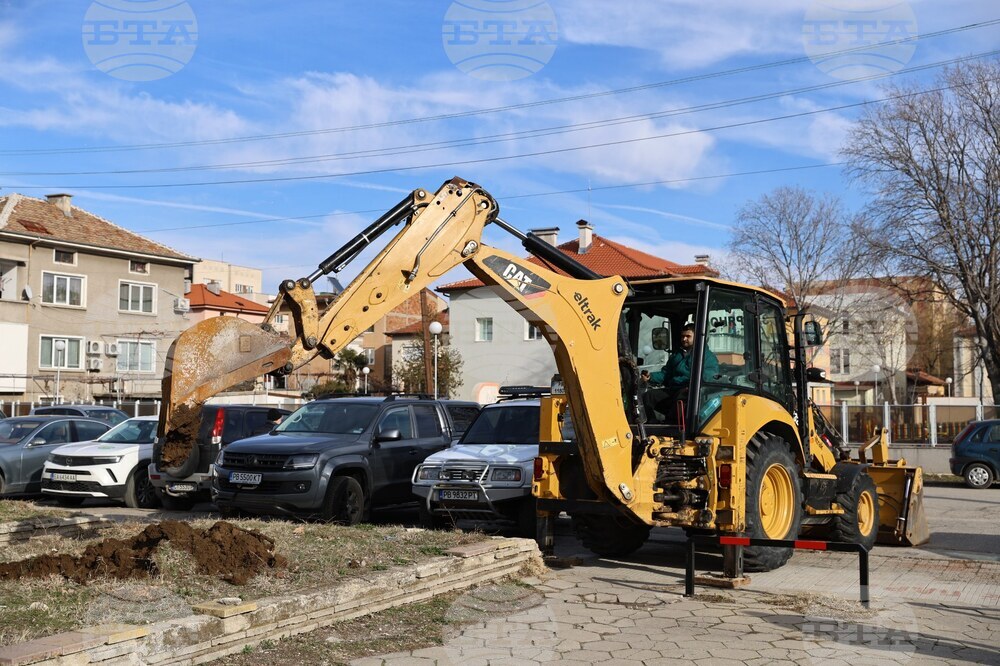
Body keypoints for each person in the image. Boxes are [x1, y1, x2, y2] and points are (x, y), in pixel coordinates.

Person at [643, 324, 719, 422]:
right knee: (649, 396)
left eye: (688, 336)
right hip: (674, 389)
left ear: (697, 337)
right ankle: (651, 424)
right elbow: (666, 374)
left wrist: (692, 385)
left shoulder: (707, 357)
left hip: (690, 392)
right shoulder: (676, 355)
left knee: (682, 396)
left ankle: (671, 426)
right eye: (683, 336)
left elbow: (709, 376)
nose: (684, 339)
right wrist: (651, 377)